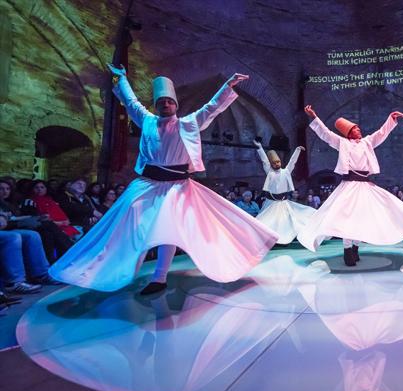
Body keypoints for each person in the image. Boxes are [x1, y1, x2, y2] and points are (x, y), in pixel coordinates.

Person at [48, 64, 278, 295]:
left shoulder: (188, 123)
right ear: (156, 105)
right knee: (127, 219)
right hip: (148, 184)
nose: (165, 105)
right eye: (161, 102)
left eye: (169, 101)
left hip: (178, 187)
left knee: (169, 227)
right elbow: (131, 103)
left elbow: (212, 108)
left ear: (175, 105)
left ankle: (159, 276)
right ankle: (114, 267)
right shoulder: (147, 121)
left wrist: (227, 86)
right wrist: (122, 80)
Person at [299, 105, 403, 266]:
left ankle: (355, 248)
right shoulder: (342, 143)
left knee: (363, 216)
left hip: (365, 185)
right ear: (350, 132)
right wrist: (314, 117)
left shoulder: (367, 142)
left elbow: (381, 133)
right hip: (350, 185)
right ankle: (347, 250)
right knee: (347, 217)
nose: (359, 130)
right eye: (355, 129)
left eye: (358, 128)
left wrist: (391, 118)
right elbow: (326, 134)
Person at [253, 140, 316, 244]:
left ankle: (287, 238)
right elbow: (265, 160)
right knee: (268, 221)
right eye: (274, 163)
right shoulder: (270, 172)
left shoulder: (285, 172)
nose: (277, 164)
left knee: (290, 221)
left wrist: (297, 150)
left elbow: (292, 162)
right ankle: (270, 240)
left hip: (283, 202)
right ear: (271, 164)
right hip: (271, 203)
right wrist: (259, 148)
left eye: (278, 162)